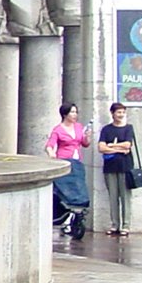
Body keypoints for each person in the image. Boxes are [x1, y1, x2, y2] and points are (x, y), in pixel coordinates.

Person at [46, 102, 93, 239]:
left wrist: (87, 137)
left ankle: (78, 212)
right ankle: (64, 214)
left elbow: (84, 144)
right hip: (64, 159)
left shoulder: (78, 127)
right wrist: (51, 154)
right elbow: (50, 145)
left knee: (79, 187)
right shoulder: (58, 130)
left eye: (76, 112)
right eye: (72, 112)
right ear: (65, 114)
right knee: (65, 188)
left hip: (77, 161)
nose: (75, 115)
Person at [97, 101, 136, 237]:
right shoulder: (106, 129)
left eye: (123, 112)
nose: (121, 115)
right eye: (119, 112)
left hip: (125, 166)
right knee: (113, 197)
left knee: (125, 198)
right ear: (112, 113)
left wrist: (112, 146)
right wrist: (118, 148)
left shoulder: (128, 128)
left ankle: (126, 226)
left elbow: (127, 145)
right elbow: (101, 148)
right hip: (110, 167)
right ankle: (114, 225)